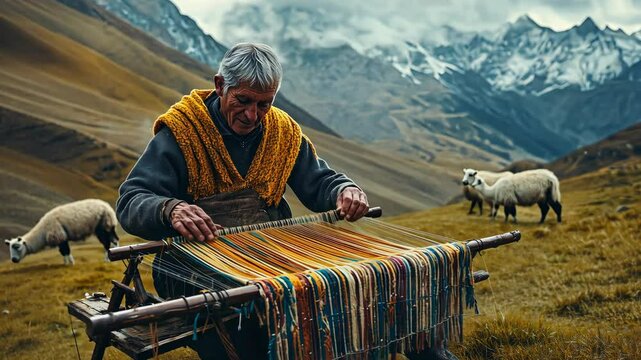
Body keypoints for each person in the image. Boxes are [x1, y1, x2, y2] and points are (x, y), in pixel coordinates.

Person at [116, 42, 369, 359]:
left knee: (333, 301)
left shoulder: (282, 132)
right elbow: (131, 200)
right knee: (242, 335)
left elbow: (317, 181)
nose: (253, 115)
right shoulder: (182, 133)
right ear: (220, 85)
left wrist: (344, 190)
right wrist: (171, 209)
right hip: (194, 269)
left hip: (269, 257)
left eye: (265, 104)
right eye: (244, 101)